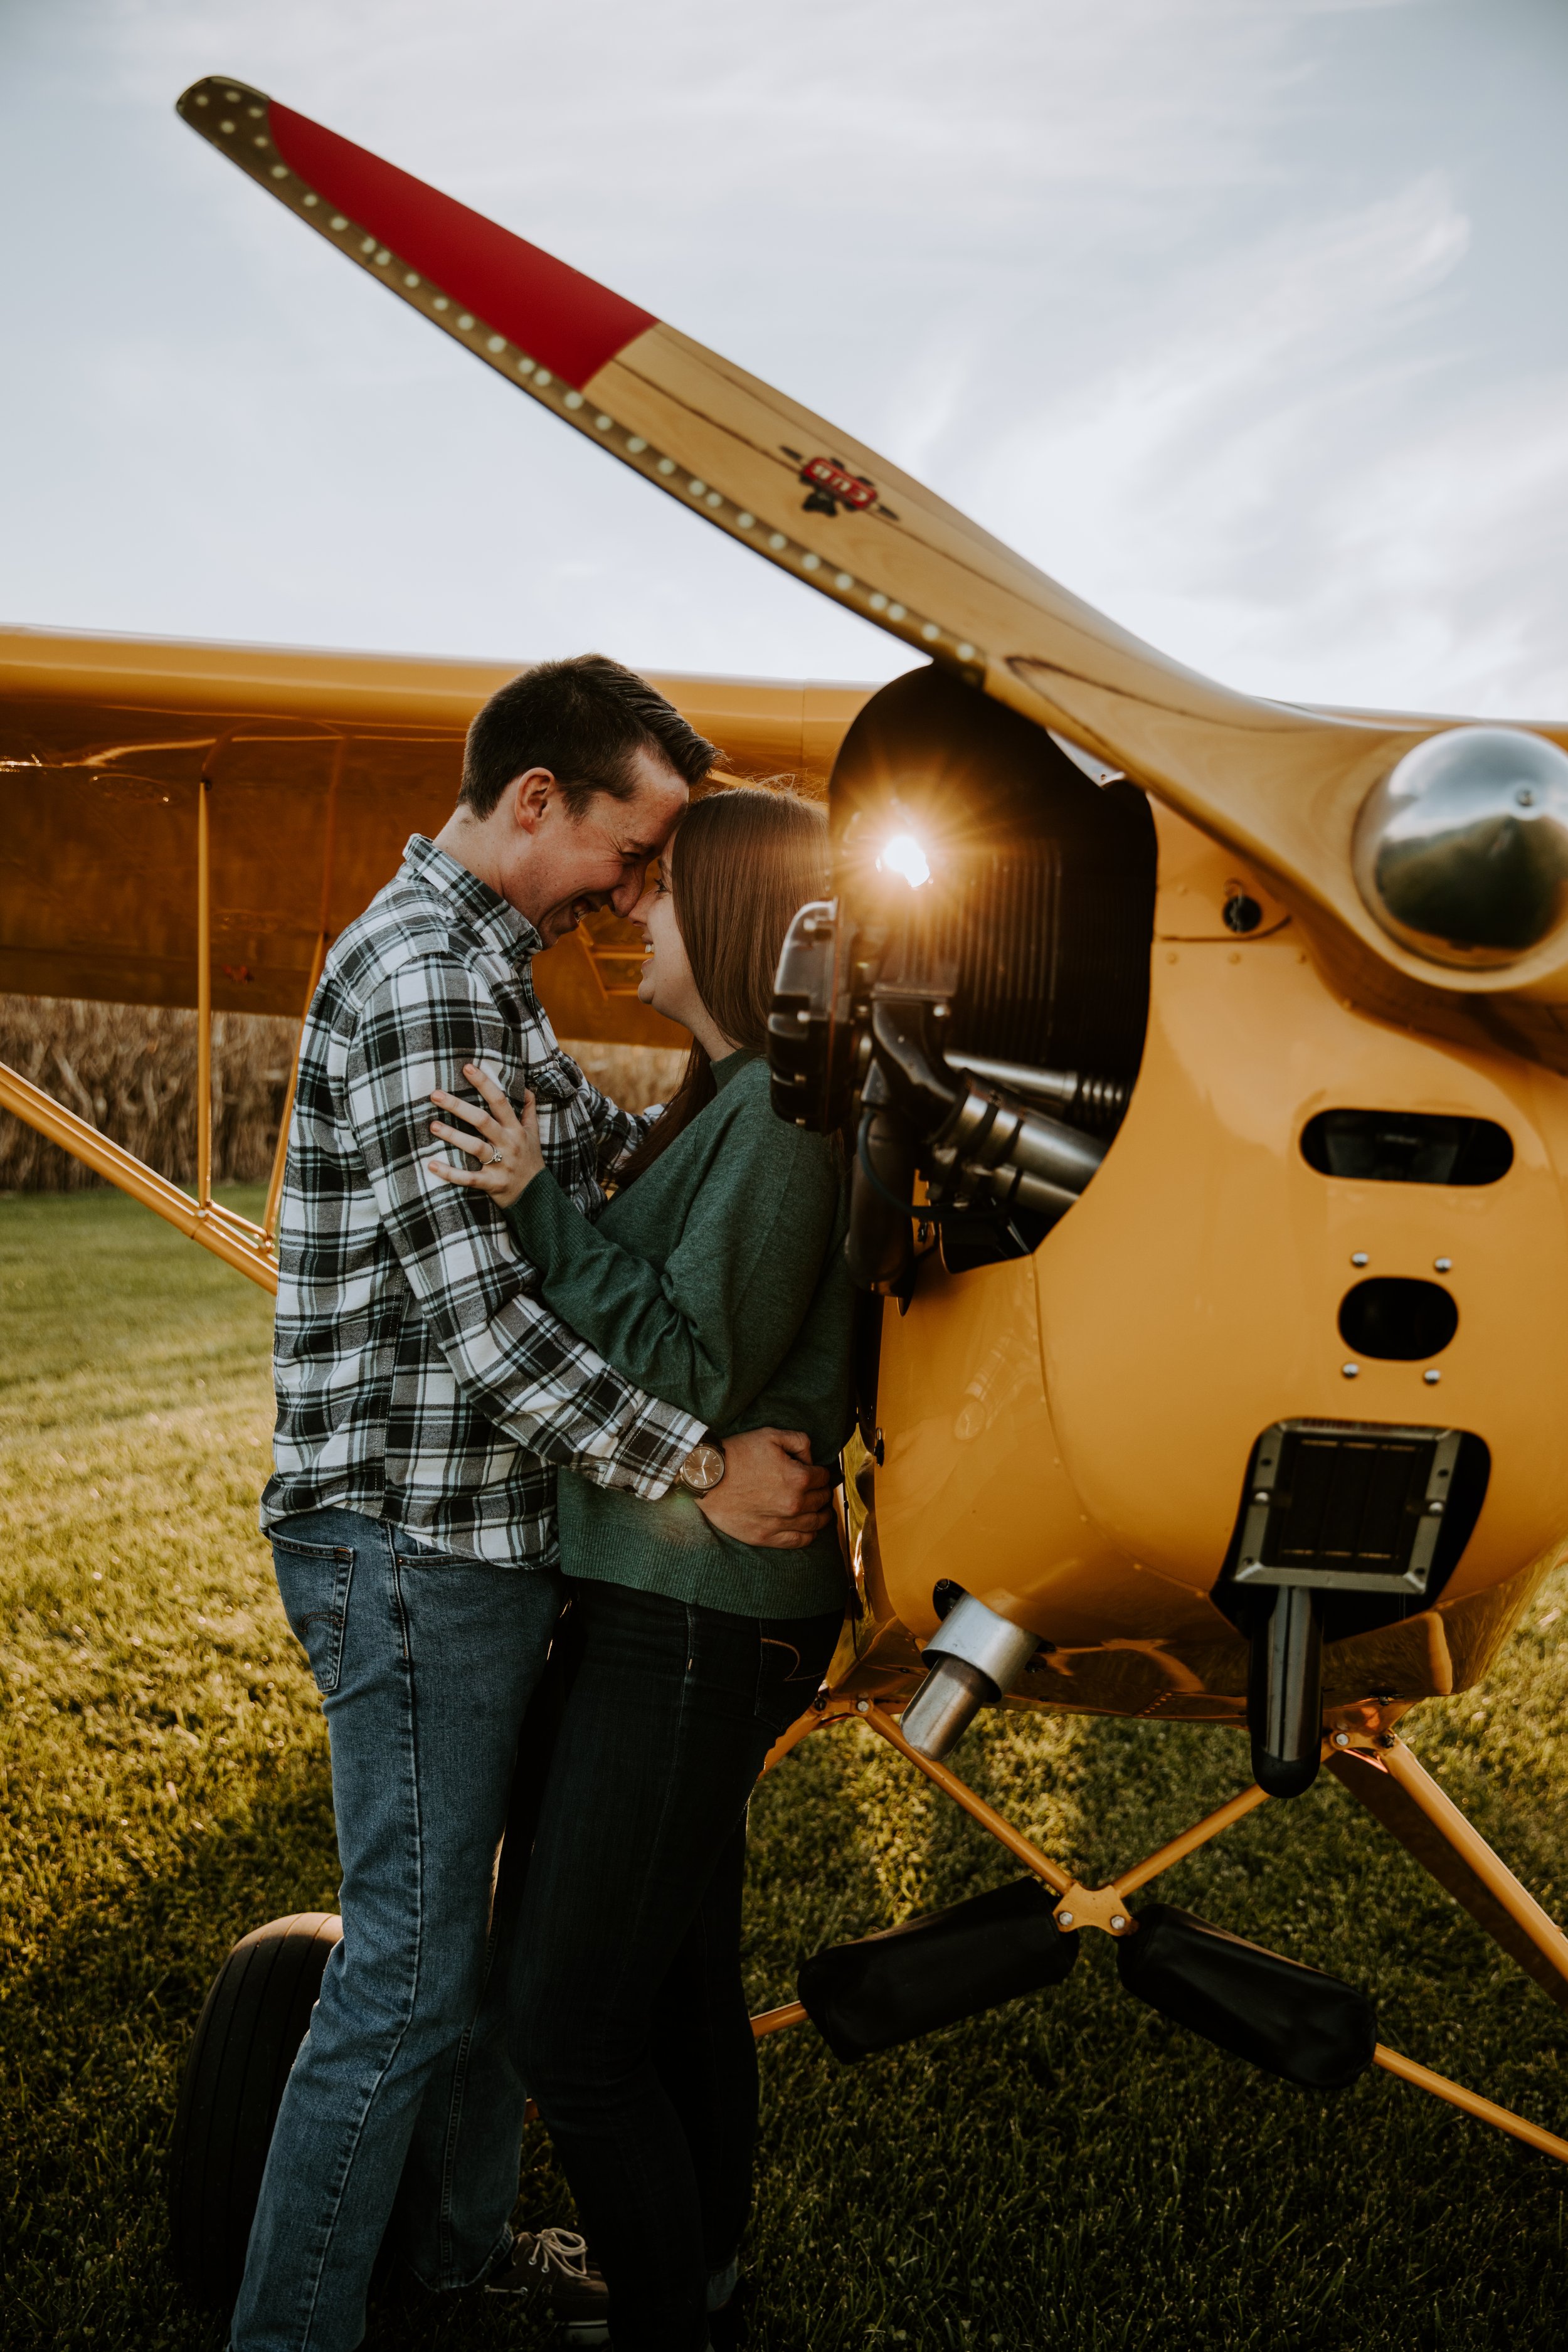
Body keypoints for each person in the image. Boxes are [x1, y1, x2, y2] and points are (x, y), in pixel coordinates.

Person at [235, 662, 832, 2352]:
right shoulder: (428, 976)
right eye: (627, 848)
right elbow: (477, 1323)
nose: (635, 888)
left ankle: (450, 2256)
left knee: (476, 1966)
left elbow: (608, 1152)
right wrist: (701, 1464)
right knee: (411, 1977)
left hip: (485, 1542)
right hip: (409, 1540)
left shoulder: (488, 973)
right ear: (532, 805)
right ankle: (291, 2327)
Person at [425, 785, 852, 2352]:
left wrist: (535, 1203)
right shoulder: (730, 1099)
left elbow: (690, 1360)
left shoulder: (784, 1122)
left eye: (660, 891)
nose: (632, 913)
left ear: (735, 915)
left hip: (692, 1619)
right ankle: (705, 2287)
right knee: (669, 1975)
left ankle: (676, 2327)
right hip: (669, 1601)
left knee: (567, 2023)